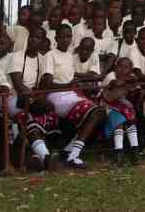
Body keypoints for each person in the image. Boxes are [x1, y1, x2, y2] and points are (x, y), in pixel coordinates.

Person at [39, 24, 104, 168]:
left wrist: (72, 86)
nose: (66, 39)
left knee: (99, 113)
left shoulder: (69, 56)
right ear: (56, 38)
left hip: (70, 94)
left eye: (69, 36)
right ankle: (73, 155)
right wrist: (68, 86)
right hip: (56, 96)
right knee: (95, 112)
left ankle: (71, 152)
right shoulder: (50, 55)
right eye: (62, 36)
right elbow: (47, 83)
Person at [100, 57, 142, 163]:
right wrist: (127, 80)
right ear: (115, 67)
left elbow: (134, 85)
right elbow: (115, 86)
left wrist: (129, 80)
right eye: (119, 67)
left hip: (122, 107)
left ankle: (134, 151)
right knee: (120, 121)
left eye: (126, 67)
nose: (122, 70)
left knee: (130, 120)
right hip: (106, 106)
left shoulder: (129, 77)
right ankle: (118, 152)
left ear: (130, 69)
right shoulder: (111, 76)